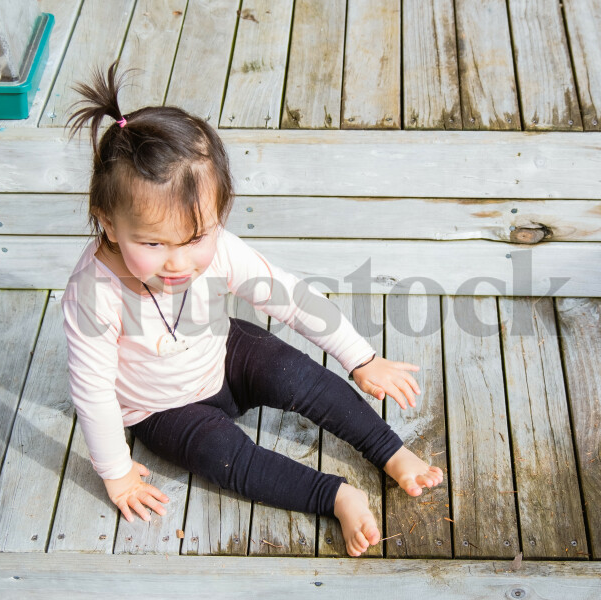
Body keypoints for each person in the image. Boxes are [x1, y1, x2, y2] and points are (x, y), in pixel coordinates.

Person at [61, 62, 443, 557]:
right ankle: (336, 496)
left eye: (195, 237)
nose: (178, 262)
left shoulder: (218, 249)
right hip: (160, 408)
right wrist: (115, 473)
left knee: (293, 372)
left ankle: (389, 450)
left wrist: (361, 358)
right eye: (153, 243)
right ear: (109, 225)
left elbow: (289, 296)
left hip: (221, 352)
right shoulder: (93, 294)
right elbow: (91, 393)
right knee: (224, 458)